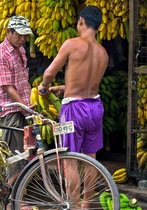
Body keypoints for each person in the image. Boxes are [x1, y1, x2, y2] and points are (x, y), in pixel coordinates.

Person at [38, 6, 108, 209]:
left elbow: (49, 73)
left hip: (72, 111)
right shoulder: (103, 53)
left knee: (69, 160)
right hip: (95, 107)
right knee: (90, 158)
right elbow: (87, 83)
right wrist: (64, 87)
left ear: (81, 22)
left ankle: (74, 206)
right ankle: (86, 205)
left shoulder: (71, 44)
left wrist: (44, 87)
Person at [0, 15, 34, 187]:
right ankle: (11, 200)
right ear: (8, 32)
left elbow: (21, 80)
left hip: (22, 108)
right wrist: (24, 106)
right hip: (10, 110)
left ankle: (17, 195)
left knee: (23, 154)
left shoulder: (20, 50)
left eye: (25, 36)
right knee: (14, 158)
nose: (23, 39)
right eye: (19, 35)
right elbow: (8, 87)